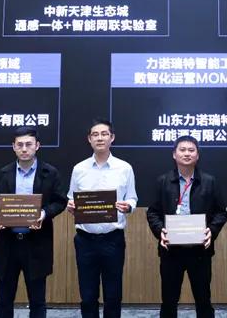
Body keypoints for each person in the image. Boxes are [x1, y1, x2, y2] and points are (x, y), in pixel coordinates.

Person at [0, 126, 68, 318]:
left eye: (29, 144)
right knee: (4, 298)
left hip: (37, 242)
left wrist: (43, 214)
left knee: (37, 300)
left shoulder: (50, 172)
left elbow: (60, 201)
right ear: (13, 147)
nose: (24, 149)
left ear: (37, 146)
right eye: (20, 145)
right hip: (8, 242)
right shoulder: (3, 173)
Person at [146, 135, 227, 318]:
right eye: (182, 150)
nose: (187, 153)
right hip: (171, 250)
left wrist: (211, 230)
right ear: (174, 154)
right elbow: (153, 213)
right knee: (169, 300)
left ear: (197, 155)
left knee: (203, 299)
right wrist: (160, 231)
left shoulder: (209, 181)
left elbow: (221, 213)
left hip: (200, 250)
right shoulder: (163, 181)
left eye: (191, 150)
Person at [67, 118, 138, 318]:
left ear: (112, 138)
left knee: (113, 294)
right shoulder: (79, 168)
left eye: (104, 134)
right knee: (87, 295)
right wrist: (71, 205)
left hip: (112, 239)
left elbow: (132, 198)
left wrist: (128, 206)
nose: (100, 138)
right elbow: (71, 197)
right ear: (89, 139)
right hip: (85, 240)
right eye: (95, 134)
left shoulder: (125, 168)